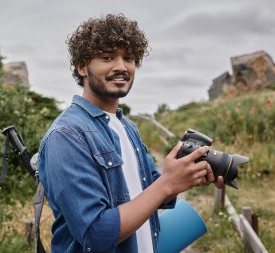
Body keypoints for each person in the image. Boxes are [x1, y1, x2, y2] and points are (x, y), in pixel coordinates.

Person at [37, 14, 223, 253]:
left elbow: (149, 192)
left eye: (129, 58)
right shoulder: (66, 136)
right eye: (107, 57)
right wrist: (167, 184)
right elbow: (97, 233)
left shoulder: (127, 126)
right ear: (82, 66)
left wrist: (185, 176)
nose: (121, 67)